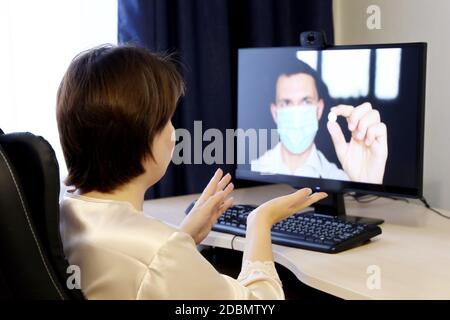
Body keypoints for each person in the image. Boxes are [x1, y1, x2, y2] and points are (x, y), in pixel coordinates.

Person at [56, 44, 327, 300]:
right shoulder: (160, 252)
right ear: (140, 137)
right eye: (167, 120)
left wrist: (182, 238)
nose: (173, 134)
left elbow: (138, 272)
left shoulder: (63, 214)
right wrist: (260, 221)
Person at [251, 61, 388, 184]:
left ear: (319, 109)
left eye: (306, 101)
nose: (297, 116)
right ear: (275, 113)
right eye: (286, 103)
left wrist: (368, 184)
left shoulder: (342, 180)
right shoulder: (253, 171)